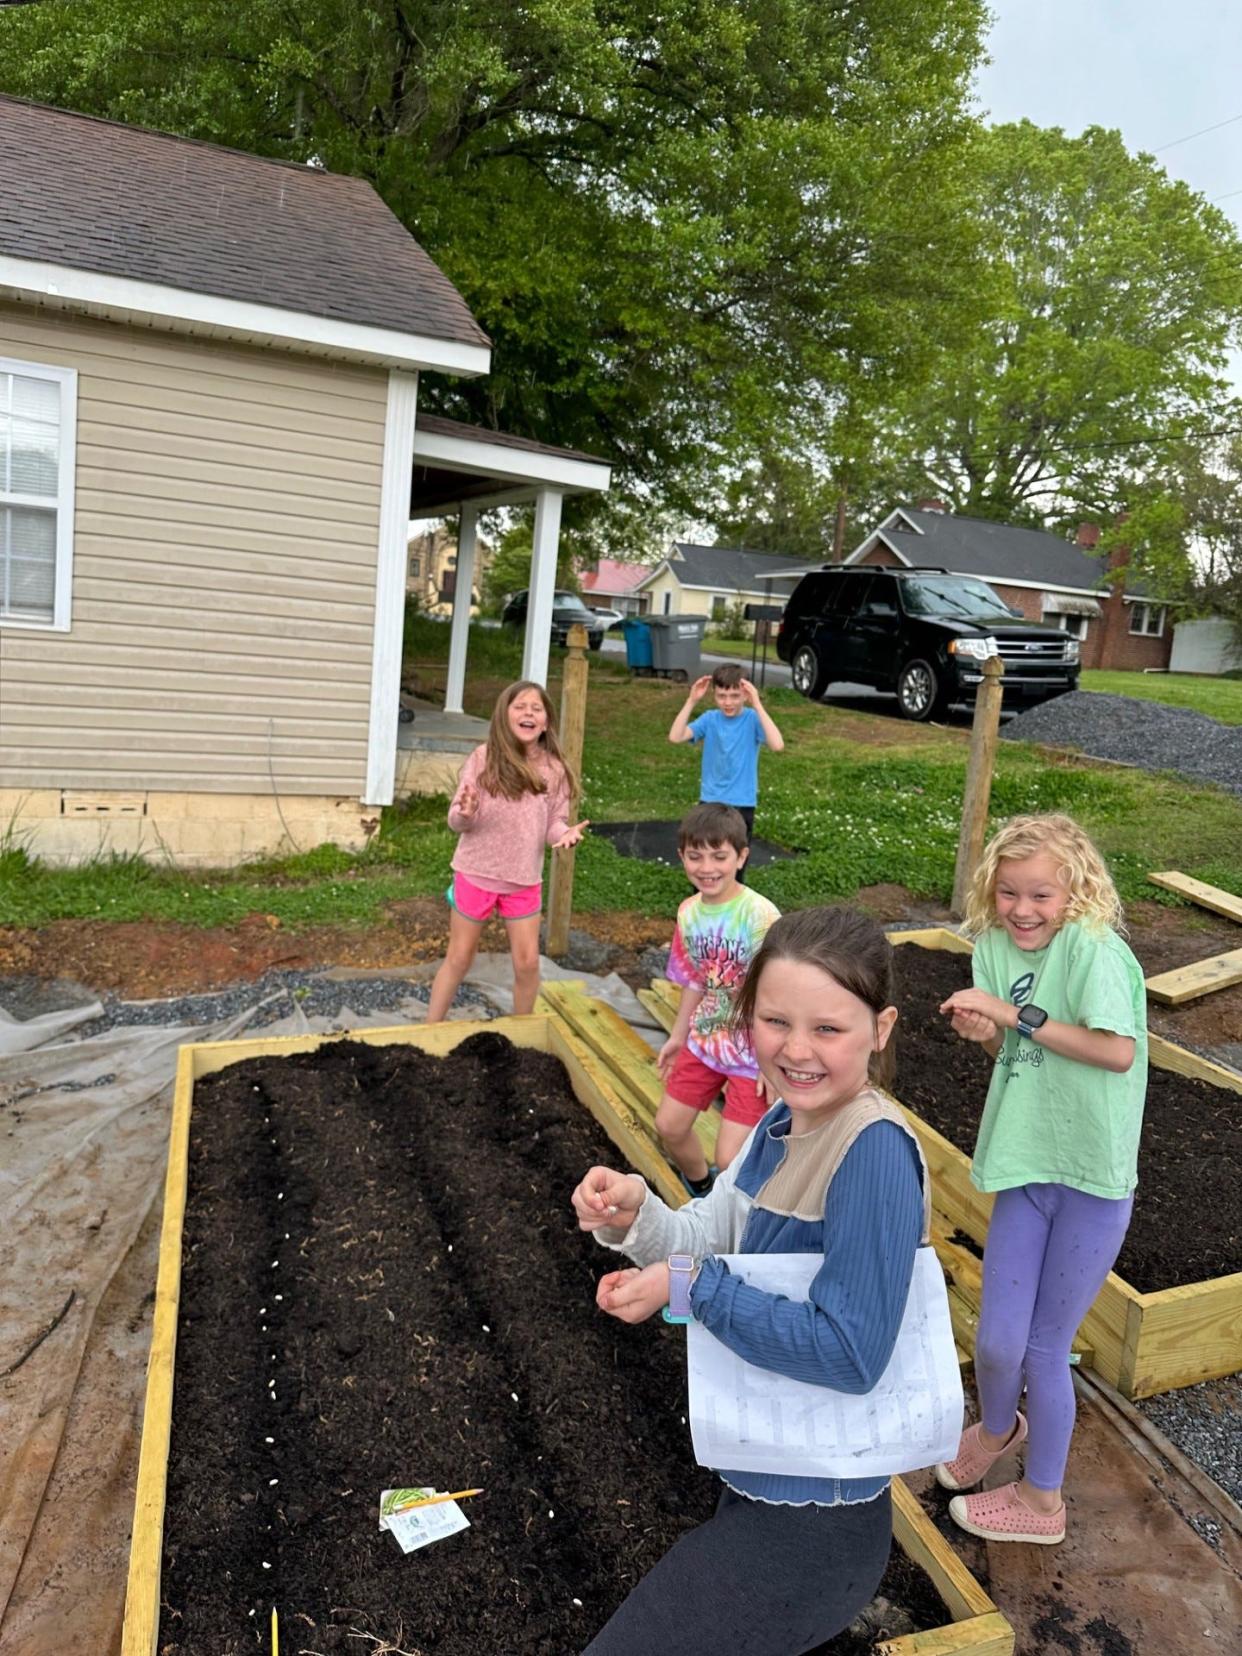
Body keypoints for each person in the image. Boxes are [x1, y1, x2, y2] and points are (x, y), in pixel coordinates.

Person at [571, 907, 928, 1656]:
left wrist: (691, 1289)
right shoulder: (778, 1128)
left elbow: (852, 1354)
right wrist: (636, 1216)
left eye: (828, 1029)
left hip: (815, 1525)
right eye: (774, 1021)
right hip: (762, 1474)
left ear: (881, 1027)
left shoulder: (873, 1156)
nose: (797, 1050)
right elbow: (709, 1241)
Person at [935, 812, 1147, 1546]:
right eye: (1009, 894)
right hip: (1025, 1164)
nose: (1022, 911)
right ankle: (997, 1430)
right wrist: (987, 1033)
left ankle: (1041, 1504)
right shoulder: (993, 947)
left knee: (1042, 1349)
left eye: (1041, 897)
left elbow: (1117, 1052)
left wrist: (1010, 1015)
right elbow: (1014, 1055)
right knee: (995, 1343)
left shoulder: (1095, 952)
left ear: (1076, 894)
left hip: (1091, 1181)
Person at [425, 681, 587, 1023]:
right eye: (520, 706)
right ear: (504, 714)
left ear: (546, 722)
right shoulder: (483, 758)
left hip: (524, 882)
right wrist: (465, 813)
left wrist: (564, 833)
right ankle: (430, 1028)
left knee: (528, 963)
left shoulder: (555, 770)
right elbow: (457, 820)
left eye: (537, 708)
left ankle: (520, 1033)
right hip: (476, 874)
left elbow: (552, 823)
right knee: (459, 957)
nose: (529, 712)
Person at [656, 803, 780, 1195]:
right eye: (695, 856)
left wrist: (773, 1058)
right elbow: (695, 979)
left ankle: (747, 1212)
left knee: (731, 1158)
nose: (706, 867)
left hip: (751, 1054)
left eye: (719, 856)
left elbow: (779, 992)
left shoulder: (759, 915)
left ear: (741, 857)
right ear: (682, 857)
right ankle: (702, 1190)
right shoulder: (688, 914)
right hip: (706, 1039)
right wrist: (678, 1036)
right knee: (670, 1127)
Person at [668, 663, 784, 878]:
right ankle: (703, 904)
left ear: (745, 695)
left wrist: (757, 704)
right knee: (705, 859)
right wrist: (691, 700)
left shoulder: (752, 719)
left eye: (734, 696)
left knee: (734, 866)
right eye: (722, 696)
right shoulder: (710, 719)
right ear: (714, 694)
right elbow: (675, 736)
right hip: (711, 801)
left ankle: (732, 907)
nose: (728, 702)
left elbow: (777, 744)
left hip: (742, 803)